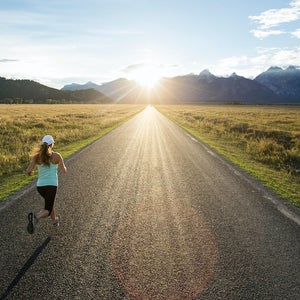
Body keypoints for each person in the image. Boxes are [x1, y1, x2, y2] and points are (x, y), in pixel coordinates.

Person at [26, 135, 67, 234]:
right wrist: (63, 168)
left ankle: (54, 220)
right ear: (52, 144)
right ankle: (36, 217)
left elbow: (28, 171)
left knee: (49, 203)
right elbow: (64, 170)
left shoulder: (37, 157)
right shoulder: (56, 156)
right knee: (47, 210)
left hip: (40, 186)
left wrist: (31, 172)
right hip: (52, 186)